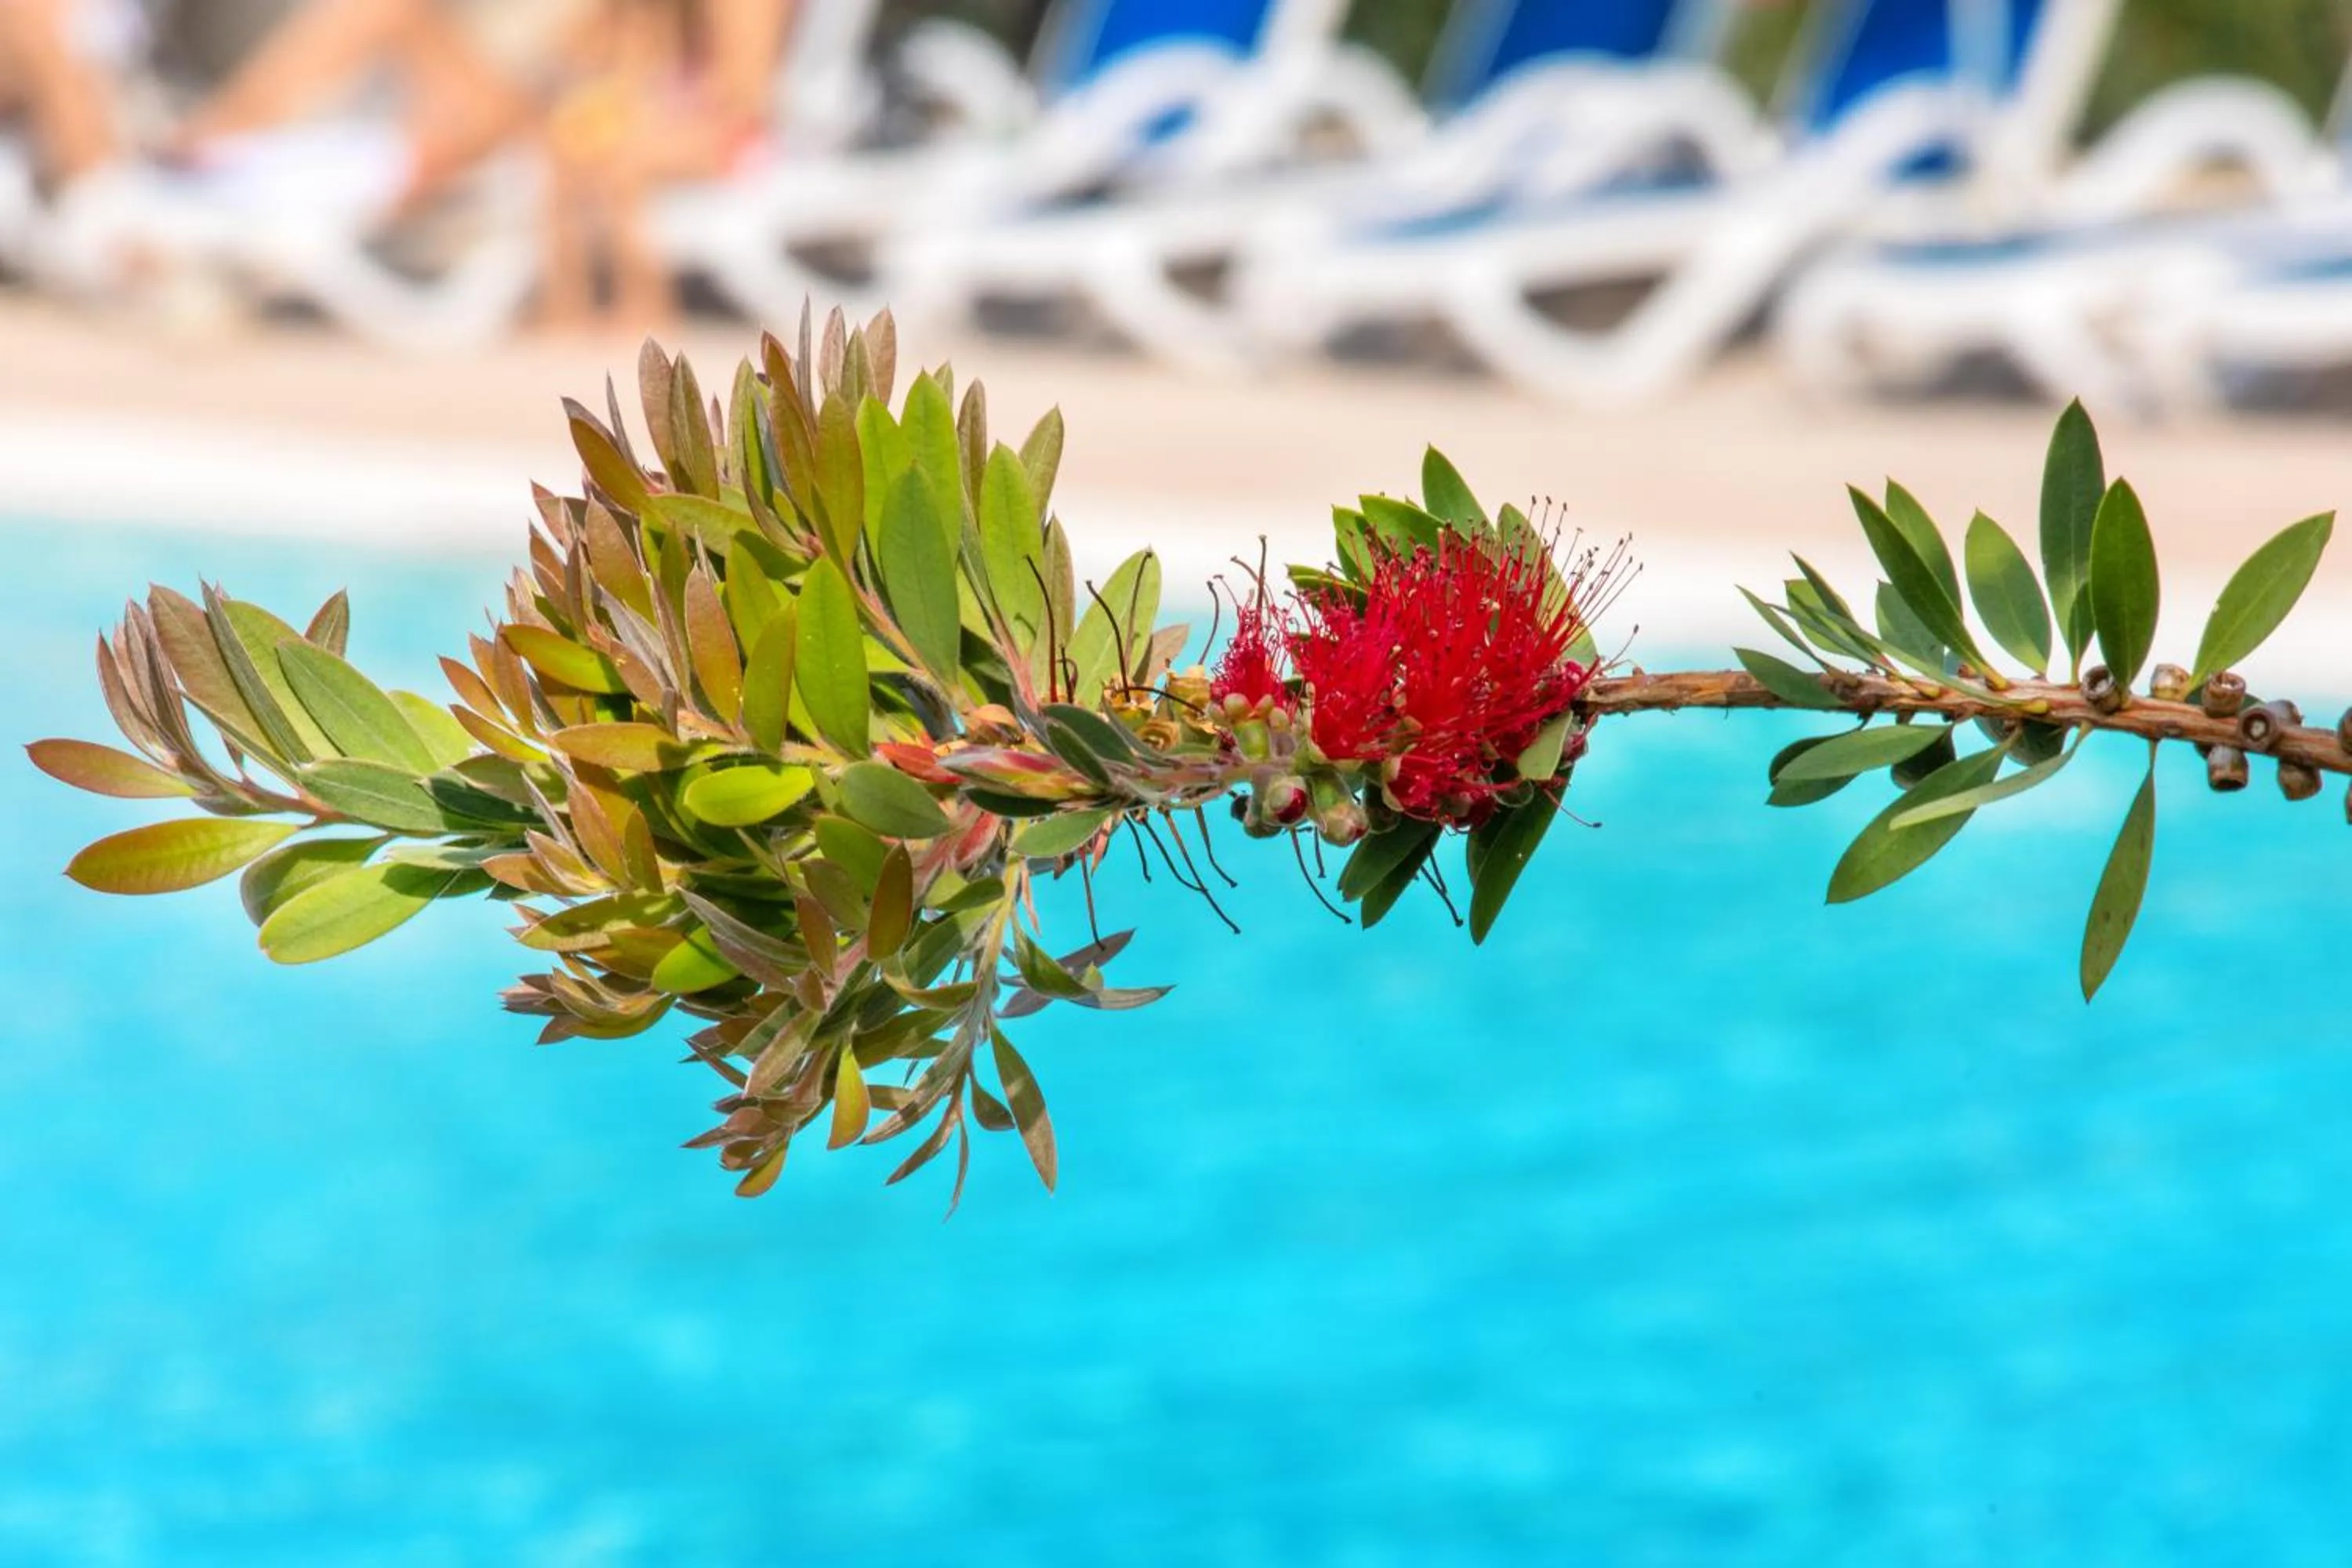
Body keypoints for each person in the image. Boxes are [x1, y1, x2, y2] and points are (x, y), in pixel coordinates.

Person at [536, 0, 793, 331]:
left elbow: (747, 101)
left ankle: (647, 303)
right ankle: (568, 306)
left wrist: (657, 120)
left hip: (742, 141)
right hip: (687, 129)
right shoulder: (665, 12)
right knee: (564, 153)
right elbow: (582, 50)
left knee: (624, 160)